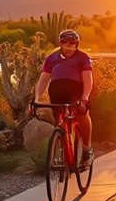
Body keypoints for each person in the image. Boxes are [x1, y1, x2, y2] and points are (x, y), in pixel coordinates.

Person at [34, 29, 95, 165]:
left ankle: (86, 149)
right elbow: (43, 80)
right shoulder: (51, 58)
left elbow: (88, 78)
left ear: (77, 45)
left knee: (82, 112)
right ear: (60, 44)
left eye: (72, 44)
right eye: (65, 44)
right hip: (56, 91)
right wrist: (37, 99)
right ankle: (63, 151)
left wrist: (85, 97)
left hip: (76, 89)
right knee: (59, 122)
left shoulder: (83, 57)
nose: (68, 47)